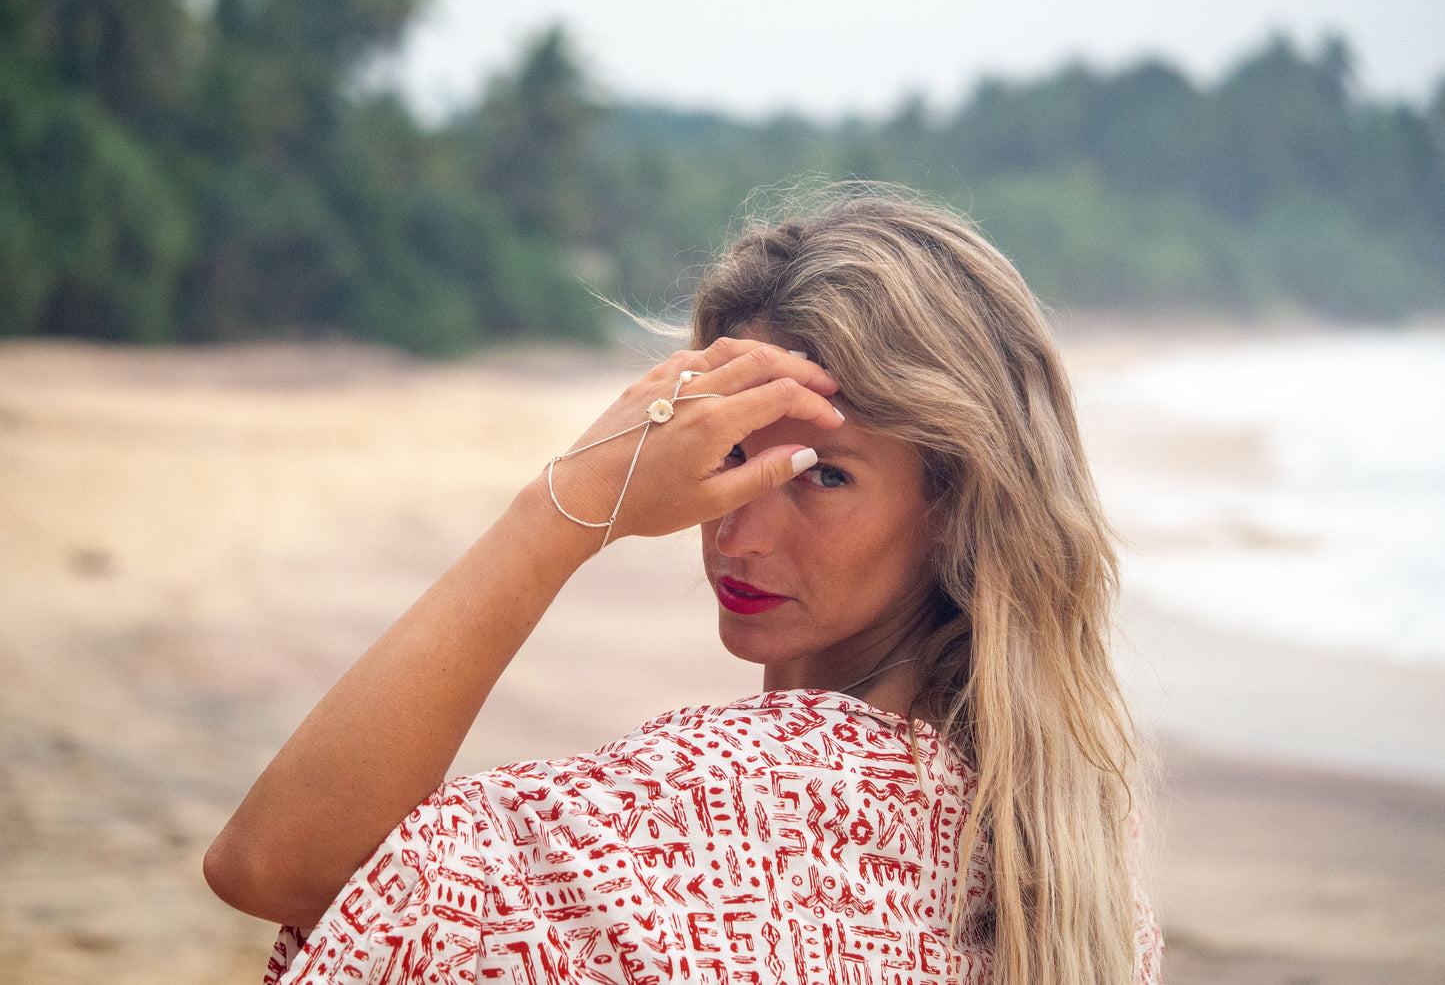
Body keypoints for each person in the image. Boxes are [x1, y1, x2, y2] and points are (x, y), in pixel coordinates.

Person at [206, 186, 1163, 985]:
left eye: (824, 476)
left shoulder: (703, 813)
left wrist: (571, 500)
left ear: (955, 500)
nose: (739, 531)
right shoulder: (1076, 858)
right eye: (728, 456)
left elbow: (273, 863)